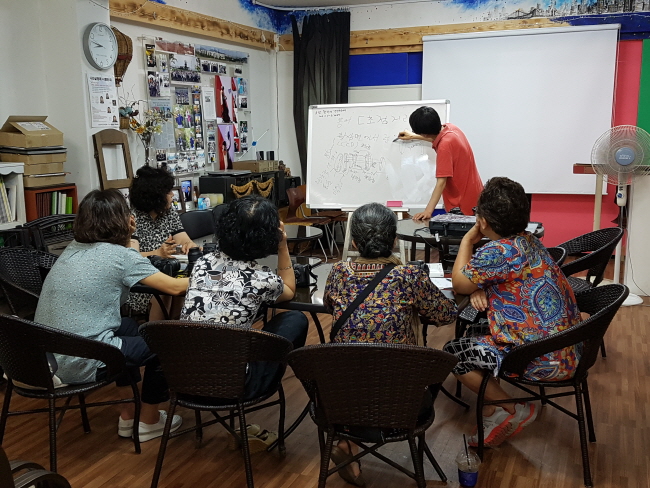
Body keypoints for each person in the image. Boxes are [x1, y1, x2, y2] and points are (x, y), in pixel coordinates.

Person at [34, 189, 189, 441]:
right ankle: (149, 421)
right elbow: (175, 287)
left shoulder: (73, 248)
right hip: (78, 363)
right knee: (167, 343)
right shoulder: (120, 256)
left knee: (127, 326)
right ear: (124, 219)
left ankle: (128, 416)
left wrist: (129, 240)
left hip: (44, 359)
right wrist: (214, 274)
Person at [323, 202, 457, 486]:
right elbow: (446, 315)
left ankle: (348, 442)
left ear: (355, 243)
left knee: (356, 370)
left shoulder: (338, 273)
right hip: (401, 404)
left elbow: (329, 305)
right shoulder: (409, 276)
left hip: (340, 401)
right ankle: (352, 443)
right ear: (394, 240)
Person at [443, 177, 581, 448]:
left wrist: (467, 242)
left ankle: (512, 407)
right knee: (476, 332)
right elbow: (495, 280)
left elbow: (459, 283)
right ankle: (491, 409)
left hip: (538, 358)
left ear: (483, 221)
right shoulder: (529, 241)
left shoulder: (497, 252)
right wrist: (480, 286)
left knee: (452, 354)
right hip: (569, 348)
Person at [180, 195, 309, 449]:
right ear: (268, 237)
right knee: (295, 319)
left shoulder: (202, 264)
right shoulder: (261, 279)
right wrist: (283, 247)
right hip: (235, 387)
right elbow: (289, 291)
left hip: (182, 379)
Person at [126, 165, 196, 321]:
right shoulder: (132, 217)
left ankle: (174, 329)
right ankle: (158, 332)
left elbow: (183, 238)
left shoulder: (168, 212)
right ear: (155, 195)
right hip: (141, 279)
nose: (172, 195)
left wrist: (189, 245)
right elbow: (131, 256)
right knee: (166, 293)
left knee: (181, 291)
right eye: (168, 192)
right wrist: (157, 253)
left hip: (168, 271)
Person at [398, 106, 483, 219]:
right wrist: (415, 136)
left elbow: (441, 183)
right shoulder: (451, 128)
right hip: (475, 197)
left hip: (463, 206)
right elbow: (437, 138)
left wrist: (428, 211)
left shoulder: (444, 147)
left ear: (425, 133)